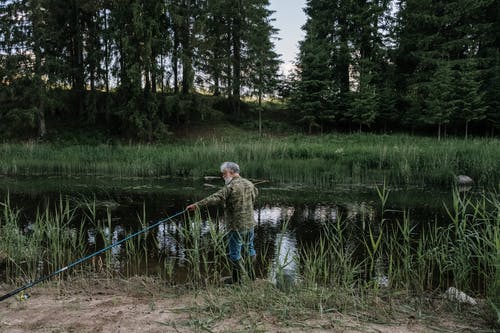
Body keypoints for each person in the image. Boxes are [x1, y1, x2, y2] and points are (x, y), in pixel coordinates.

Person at [186, 161, 258, 284]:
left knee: (235, 253)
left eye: (224, 173)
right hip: (250, 224)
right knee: (249, 248)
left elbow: (215, 198)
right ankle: (251, 277)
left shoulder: (230, 187)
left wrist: (196, 205)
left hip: (236, 226)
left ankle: (237, 281)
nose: (223, 176)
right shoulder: (250, 184)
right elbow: (255, 195)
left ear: (231, 172)